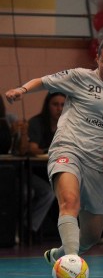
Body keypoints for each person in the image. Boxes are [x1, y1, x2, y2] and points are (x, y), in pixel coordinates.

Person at [5, 37, 103, 270]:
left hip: (96, 162)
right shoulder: (80, 77)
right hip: (68, 148)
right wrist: (22, 89)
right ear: (97, 58)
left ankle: (59, 254)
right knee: (69, 202)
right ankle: (71, 266)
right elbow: (43, 81)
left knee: (91, 235)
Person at [26, 92, 66, 238]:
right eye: (55, 104)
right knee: (48, 192)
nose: (59, 108)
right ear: (47, 106)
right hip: (34, 172)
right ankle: (30, 230)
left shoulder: (69, 124)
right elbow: (32, 148)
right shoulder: (36, 122)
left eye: (63, 105)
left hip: (58, 171)